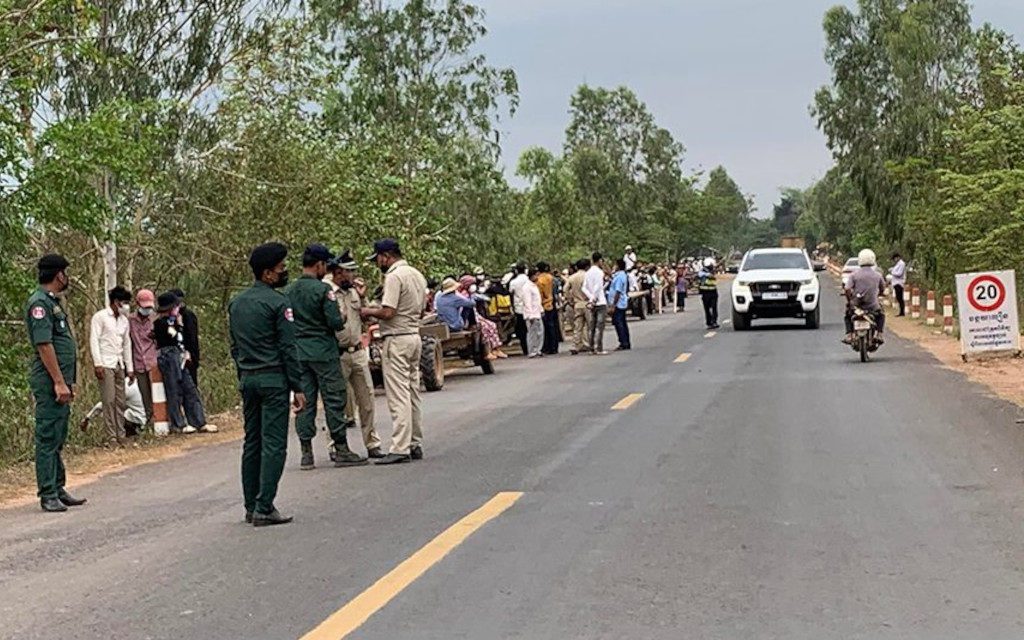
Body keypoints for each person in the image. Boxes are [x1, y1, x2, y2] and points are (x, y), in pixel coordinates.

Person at [229, 242, 307, 527]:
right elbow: (288, 348)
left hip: (248, 378)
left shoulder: (236, 303)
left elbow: (234, 347)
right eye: (280, 268)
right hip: (273, 379)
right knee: (274, 444)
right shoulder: (278, 303)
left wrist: (243, 371)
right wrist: (297, 387)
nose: (284, 272)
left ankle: (251, 505)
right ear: (267, 274)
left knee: (252, 441)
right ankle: (265, 505)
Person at [288, 244, 367, 470]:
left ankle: (306, 453)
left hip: (299, 353)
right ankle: (341, 448)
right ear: (320, 265)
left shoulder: (290, 291)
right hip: (323, 351)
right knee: (334, 398)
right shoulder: (324, 291)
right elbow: (334, 322)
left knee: (304, 401)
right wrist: (341, 317)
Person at [25, 254, 86, 513]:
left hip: (61, 380)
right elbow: (44, 345)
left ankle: (58, 487)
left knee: (59, 434)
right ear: (59, 274)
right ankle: (47, 492)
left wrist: (69, 381)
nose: (67, 277)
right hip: (50, 381)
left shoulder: (53, 303)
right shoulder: (39, 304)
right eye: (65, 272)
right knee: (48, 435)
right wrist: (59, 382)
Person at [361, 238, 428, 465]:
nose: (377, 263)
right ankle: (415, 441)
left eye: (377, 259)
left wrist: (366, 311)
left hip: (397, 338)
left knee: (398, 394)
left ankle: (400, 446)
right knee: (412, 392)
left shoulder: (393, 276)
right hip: (414, 335)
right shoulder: (416, 274)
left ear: (385, 256)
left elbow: (388, 311)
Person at [326, 251, 383, 459]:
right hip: (337, 353)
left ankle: (372, 443)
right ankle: (335, 444)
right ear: (339, 272)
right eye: (350, 272)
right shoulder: (328, 292)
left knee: (366, 399)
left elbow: (365, 318)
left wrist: (363, 296)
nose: (353, 275)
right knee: (337, 401)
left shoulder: (353, 293)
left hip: (357, 351)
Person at [153, 292, 216, 434]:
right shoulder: (160, 323)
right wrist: (178, 325)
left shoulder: (177, 320)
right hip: (169, 357)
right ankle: (178, 424)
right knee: (174, 390)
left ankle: (199, 421)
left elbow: (180, 338)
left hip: (180, 356)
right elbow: (172, 336)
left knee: (190, 389)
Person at [89, 286, 135, 443]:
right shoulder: (100, 317)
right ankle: (111, 436)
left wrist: (130, 368)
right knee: (108, 400)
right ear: (116, 302)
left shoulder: (124, 321)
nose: (126, 306)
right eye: (124, 303)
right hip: (105, 363)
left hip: (119, 363)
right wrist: (98, 363)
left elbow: (126, 344)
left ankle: (121, 434)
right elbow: (94, 340)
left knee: (120, 401)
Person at [844, 249, 887, 344]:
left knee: (847, 315)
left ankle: (849, 334)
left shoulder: (853, 275)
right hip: (872, 306)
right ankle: (879, 334)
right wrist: (880, 293)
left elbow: (847, 289)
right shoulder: (878, 275)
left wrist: (849, 300)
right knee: (881, 315)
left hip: (856, 306)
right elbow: (883, 288)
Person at [128, 289, 157, 426]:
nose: (147, 310)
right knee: (144, 396)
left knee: (157, 395)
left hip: (153, 363)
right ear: (137, 304)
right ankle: (148, 422)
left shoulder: (155, 319)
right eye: (144, 307)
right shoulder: (130, 321)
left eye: (149, 307)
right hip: (138, 364)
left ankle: (160, 421)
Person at [80, 378, 147, 437]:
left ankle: (117, 436)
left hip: (136, 421)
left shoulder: (126, 387)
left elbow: (105, 404)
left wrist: (87, 418)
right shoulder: (134, 383)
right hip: (141, 419)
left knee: (108, 412)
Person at [169, 289, 200, 387]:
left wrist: (192, 356)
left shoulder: (188, 315)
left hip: (188, 357)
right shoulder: (170, 317)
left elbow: (192, 338)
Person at [583, 252, 609, 355]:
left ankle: (591, 348)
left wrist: (590, 298)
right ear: (600, 260)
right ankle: (598, 348)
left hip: (592, 302)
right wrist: (594, 298)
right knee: (599, 326)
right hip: (600, 302)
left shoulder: (588, 272)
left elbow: (584, 287)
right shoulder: (599, 272)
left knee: (591, 327)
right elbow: (597, 287)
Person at [564, 258, 591, 354]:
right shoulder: (588, 276)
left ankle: (576, 345)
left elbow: (565, 289)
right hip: (588, 304)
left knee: (578, 326)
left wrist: (569, 300)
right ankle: (590, 343)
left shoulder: (572, 277)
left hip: (577, 304)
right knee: (590, 325)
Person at [536, 261, 559, 354]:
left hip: (544, 304)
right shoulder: (551, 278)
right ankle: (554, 347)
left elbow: (540, 295)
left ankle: (547, 347)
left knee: (545, 327)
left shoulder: (539, 280)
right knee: (552, 326)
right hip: (551, 302)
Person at [609, 259, 632, 350]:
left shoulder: (619, 277)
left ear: (618, 266)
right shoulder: (621, 275)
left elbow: (617, 292)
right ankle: (625, 341)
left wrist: (613, 305)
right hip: (622, 302)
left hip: (618, 303)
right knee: (622, 322)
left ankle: (623, 342)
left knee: (619, 323)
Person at [507, 262, 530, 356]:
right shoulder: (529, 280)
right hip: (531, 307)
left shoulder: (513, 282)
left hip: (519, 308)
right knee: (532, 328)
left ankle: (525, 349)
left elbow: (510, 294)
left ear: (516, 271)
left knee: (522, 330)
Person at [523, 269, 544, 358]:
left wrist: (541, 309)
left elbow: (537, 300)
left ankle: (538, 349)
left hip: (537, 312)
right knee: (532, 333)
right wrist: (530, 315)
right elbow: (527, 302)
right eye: (536, 275)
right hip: (532, 314)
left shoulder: (534, 286)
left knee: (539, 332)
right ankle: (532, 350)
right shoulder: (527, 287)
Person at [697, 258, 720, 329]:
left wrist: (712, 273)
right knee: (707, 309)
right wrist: (708, 274)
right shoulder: (702, 272)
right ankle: (709, 322)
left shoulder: (713, 272)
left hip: (713, 292)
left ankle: (714, 321)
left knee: (714, 308)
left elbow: (714, 277)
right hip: (705, 293)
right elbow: (700, 275)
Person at [889, 252, 907, 317]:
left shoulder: (902, 264)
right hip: (896, 282)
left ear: (898, 257)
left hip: (899, 282)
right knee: (898, 297)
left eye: (895, 258)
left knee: (900, 298)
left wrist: (892, 271)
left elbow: (899, 273)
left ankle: (902, 312)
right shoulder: (898, 264)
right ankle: (901, 311)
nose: (894, 260)